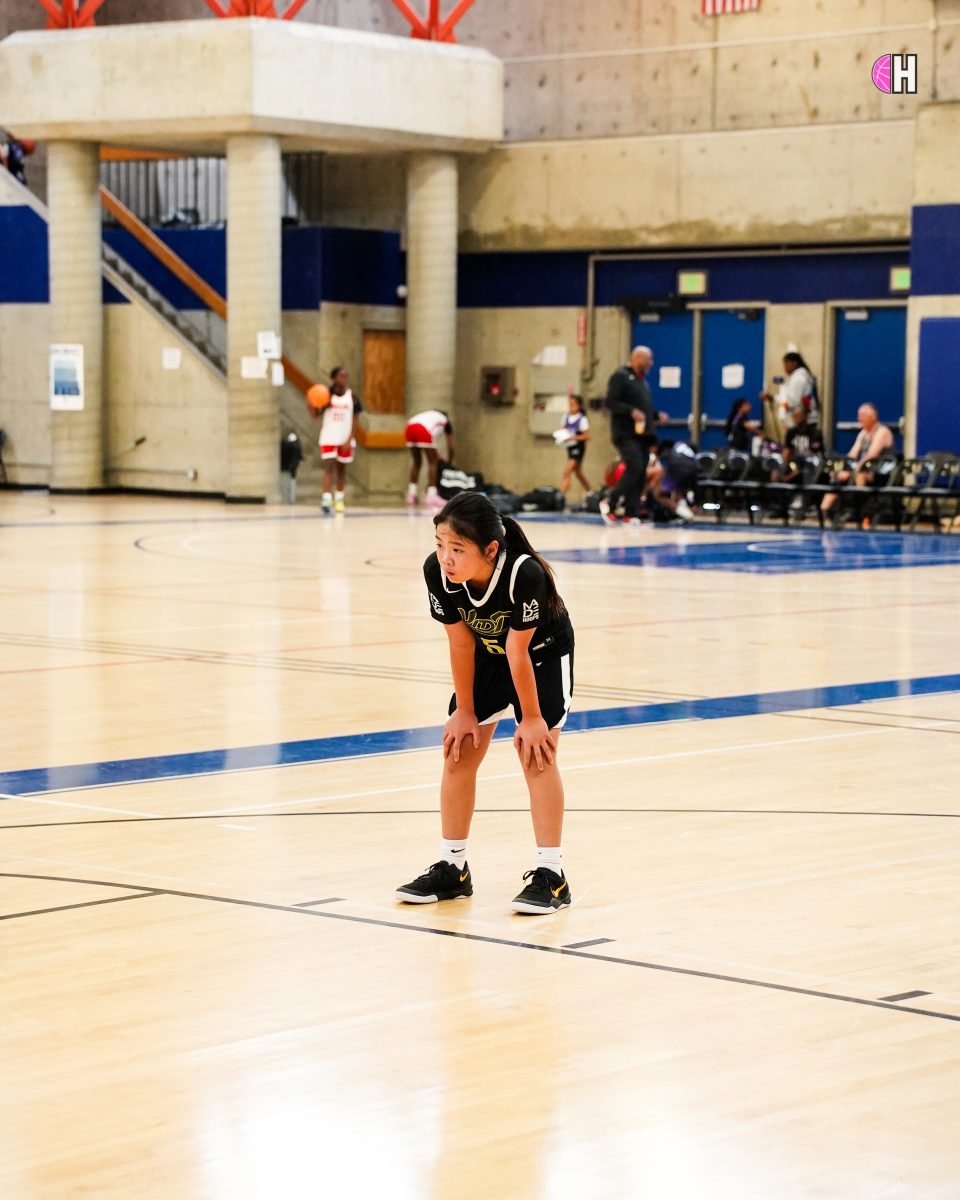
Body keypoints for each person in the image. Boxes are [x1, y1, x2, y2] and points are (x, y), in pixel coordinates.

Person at [397, 491, 575, 915]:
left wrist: (531, 718)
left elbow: (518, 651)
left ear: (490, 550)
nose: (445, 557)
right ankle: (453, 869)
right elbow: (460, 642)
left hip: (541, 654)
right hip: (486, 653)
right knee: (459, 751)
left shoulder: (524, 573)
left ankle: (552, 876)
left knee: (536, 755)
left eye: (457, 549)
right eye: (440, 544)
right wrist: (465, 710)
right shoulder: (437, 573)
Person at [599, 345, 658, 527]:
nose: (651, 363)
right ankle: (610, 500)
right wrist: (631, 411)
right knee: (634, 466)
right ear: (637, 358)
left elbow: (643, 407)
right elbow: (610, 402)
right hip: (625, 434)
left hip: (642, 435)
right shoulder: (621, 376)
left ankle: (631, 514)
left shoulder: (642, 382)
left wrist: (656, 416)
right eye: (649, 360)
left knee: (641, 472)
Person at [820, 403, 894, 518]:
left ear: (873, 417)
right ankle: (824, 510)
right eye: (859, 415)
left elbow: (871, 456)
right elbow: (852, 455)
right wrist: (842, 468)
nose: (859, 418)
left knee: (859, 474)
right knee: (836, 472)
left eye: (862, 415)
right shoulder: (863, 433)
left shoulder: (882, 431)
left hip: (879, 471)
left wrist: (851, 471)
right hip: (863, 468)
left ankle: (861, 510)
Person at [314, 366, 362, 514]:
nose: (344, 379)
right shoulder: (326, 395)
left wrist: (350, 439)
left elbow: (355, 420)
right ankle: (326, 498)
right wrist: (312, 405)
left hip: (344, 438)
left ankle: (339, 498)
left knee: (341, 469)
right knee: (328, 466)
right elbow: (315, 415)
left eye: (345, 376)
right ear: (333, 378)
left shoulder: (352, 397)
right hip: (329, 437)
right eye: (341, 376)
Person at [405, 409, 455, 510]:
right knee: (433, 462)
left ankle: (411, 495)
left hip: (409, 427)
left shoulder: (429, 415)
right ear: (446, 416)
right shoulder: (445, 421)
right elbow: (451, 447)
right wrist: (449, 462)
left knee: (417, 462)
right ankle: (431, 496)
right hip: (423, 429)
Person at [760, 351, 819, 430]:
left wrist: (780, 404)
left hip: (802, 423)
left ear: (794, 363)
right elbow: (787, 399)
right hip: (800, 421)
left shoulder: (798, 379)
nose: (784, 367)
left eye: (786, 364)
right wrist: (773, 398)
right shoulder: (797, 377)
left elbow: (791, 403)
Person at [556, 392, 591, 498]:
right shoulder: (566, 417)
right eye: (570, 404)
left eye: (573, 404)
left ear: (579, 406)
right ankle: (590, 492)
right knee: (578, 472)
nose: (571, 407)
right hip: (570, 447)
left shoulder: (582, 419)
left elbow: (586, 436)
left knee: (567, 472)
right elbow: (562, 428)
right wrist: (560, 434)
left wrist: (572, 437)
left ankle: (560, 496)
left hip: (578, 447)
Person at [279, 430, 303, 505]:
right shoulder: (296, 445)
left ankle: (286, 500)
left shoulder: (284, 444)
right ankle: (291, 500)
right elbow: (299, 457)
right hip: (290, 469)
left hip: (286, 468)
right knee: (290, 485)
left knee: (285, 485)